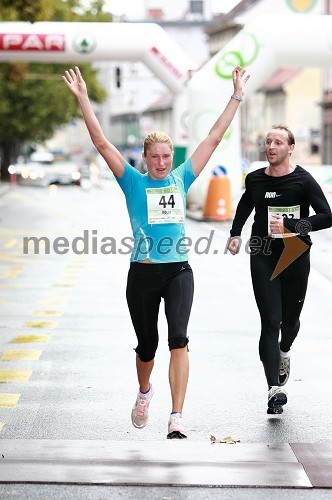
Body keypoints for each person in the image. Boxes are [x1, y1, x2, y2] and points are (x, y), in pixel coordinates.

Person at [63, 65, 250, 438]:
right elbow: (101, 143)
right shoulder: (131, 181)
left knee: (178, 339)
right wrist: (84, 98)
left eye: (167, 156)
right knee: (147, 347)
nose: (162, 163)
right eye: (156, 158)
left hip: (179, 270)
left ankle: (177, 415)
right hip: (143, 274)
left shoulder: (182, 176)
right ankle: (145, 392)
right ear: (146, 158)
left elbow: (213, 138)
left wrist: (237, 96)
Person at [227, 125, 332, 415]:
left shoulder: (303, 180)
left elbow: (327, 216)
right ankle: (274, 389)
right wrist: (235, 233)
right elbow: (246, 203)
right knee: (270, 320)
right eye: (268, 141)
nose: (271, 146)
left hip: (296, 252)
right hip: (262, 250)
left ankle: (285, 350)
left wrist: (292, 226)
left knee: (289, 321)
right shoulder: (256, 179)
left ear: (290, 148)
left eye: (278, 142)